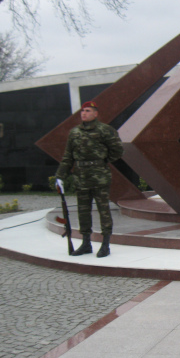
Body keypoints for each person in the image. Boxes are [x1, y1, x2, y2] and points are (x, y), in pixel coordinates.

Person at [56, 101, 123, 258]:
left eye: (87, 110)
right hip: (81, 177)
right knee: (83, 211)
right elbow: (68, 156)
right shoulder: (74, 133)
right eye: (82, 111)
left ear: (95, 113)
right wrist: (60, 176)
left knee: (103, 210)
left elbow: (118, 150)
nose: (84, 113)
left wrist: (103, 161)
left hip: (99, 176)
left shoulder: (105, 130)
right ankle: (86, 243)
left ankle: (105, 244)